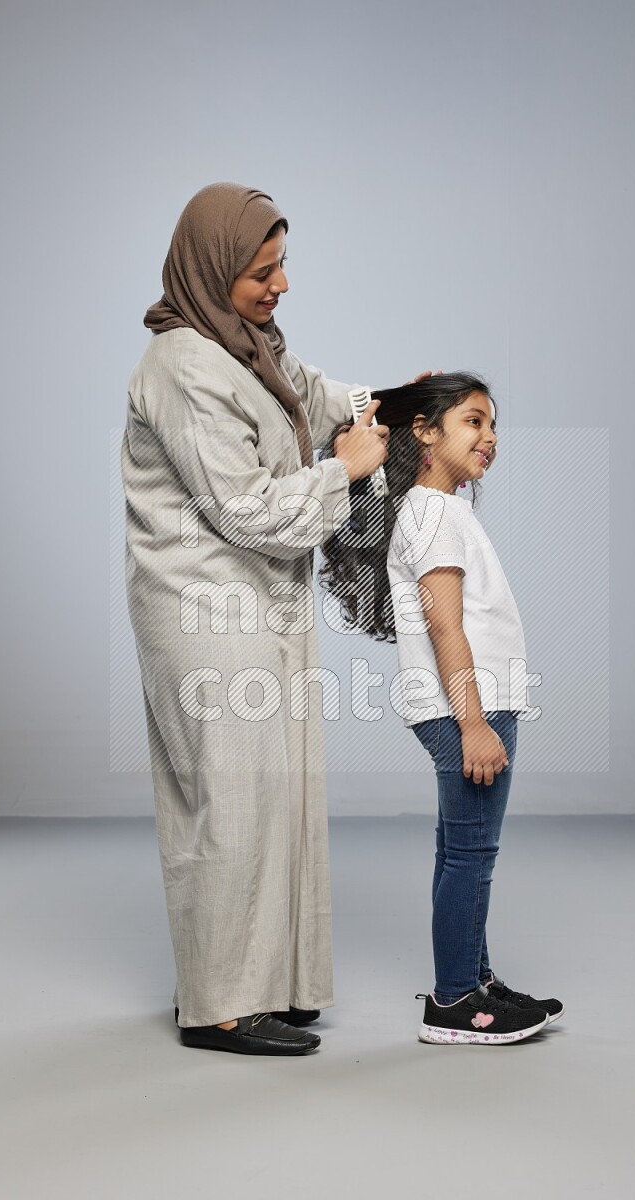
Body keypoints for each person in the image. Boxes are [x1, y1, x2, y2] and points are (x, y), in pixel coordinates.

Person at [120, 181, 403, 1056]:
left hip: (255, 603)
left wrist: (393, 403)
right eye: (261, 271)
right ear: (212, 270)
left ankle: (270, 982)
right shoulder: (183, 366)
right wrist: (347, 472)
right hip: (205, 607)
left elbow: (314, 397)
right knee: (232, 801)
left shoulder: (245, 346)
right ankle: (219, 1005)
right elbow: (242, 509)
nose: (279, 285)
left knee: (276, 793)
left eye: (283, 266)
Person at [317, 373, 565, 1044]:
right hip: (470, 708)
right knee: (471, 855)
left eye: (493, 426)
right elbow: (445, 627)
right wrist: (474, 720)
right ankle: (456, 1001)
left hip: (471, 705)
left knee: (459, 849)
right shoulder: (432, 514)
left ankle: (473, 980)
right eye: (473, 422)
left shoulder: (441, 511)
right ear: (425, 434)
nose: (489, 437)